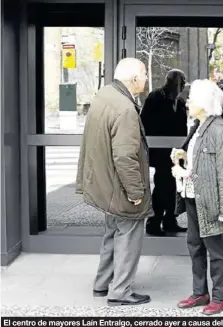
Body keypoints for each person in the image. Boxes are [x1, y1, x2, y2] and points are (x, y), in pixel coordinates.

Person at [76, 58, 152, 306]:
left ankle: (102, 283)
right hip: (120, 188)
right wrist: (136, 192)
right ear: (133, 80)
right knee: (129, 237)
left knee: (112, 233)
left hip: (104, 186)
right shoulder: (126, 109)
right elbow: (124, 156)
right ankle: (120, 292)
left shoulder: (104, 96)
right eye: (143, 74)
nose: (146, 79)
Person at [171, 79, 223, 315]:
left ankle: (220, 297)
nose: (187, 102)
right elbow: (200, 165)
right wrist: (183, 156)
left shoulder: (219, 131)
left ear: (204, 103)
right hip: (193, 197)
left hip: (210, 201)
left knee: (215, 251)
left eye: (191, 98)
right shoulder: (198, 127)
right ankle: (200, 293)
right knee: (194, 245)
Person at [140, 69, 188, 236]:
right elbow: (144, 121)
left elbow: (182, 127)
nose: (182, 86)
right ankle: (154, 222)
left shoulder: (180, 102)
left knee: (172, 186)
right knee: (162, 185)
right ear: (172, 82)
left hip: (174, 151)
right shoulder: (156, 97)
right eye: (181, 82)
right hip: (159, 151)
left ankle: (169, 220)